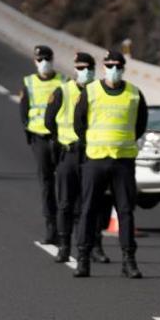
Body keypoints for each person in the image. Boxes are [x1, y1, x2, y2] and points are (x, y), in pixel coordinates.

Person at [72, 51, 148, 278]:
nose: (113, 69)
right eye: (109, 65)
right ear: (104, 67)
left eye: (117, 65)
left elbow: (140, 125)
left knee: (126, 211)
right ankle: (83, 259)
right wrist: (91, 143)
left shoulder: (134, 94)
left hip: (123, 161)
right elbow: (79, 123)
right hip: (95, 160)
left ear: (124, 68)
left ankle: (128, 260)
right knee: (88, 210)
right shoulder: (91, 91)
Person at [44, 52, 110, 265]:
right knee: (65, 203)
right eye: (80, 68)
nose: (85, 72)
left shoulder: (100, 92)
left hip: (93, 154)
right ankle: (64, 246)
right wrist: (61, 139)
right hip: (69, 154)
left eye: (89, 68)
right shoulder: (63, 91)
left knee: (93, 204)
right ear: (74, 69)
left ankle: (95, 246)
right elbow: (49, 121)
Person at [20, 45, 66, 244]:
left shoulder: (63, 81)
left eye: (46, 58)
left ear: (53, 59)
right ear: (34, 62)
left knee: (66, 182)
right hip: (39, 138)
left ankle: (68, 223)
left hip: (60, 139)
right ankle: (51, 226)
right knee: (46, 183)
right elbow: (24, 110)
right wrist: (29, 134)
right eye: (39, 59)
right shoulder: (29, 83)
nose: (43, 63)